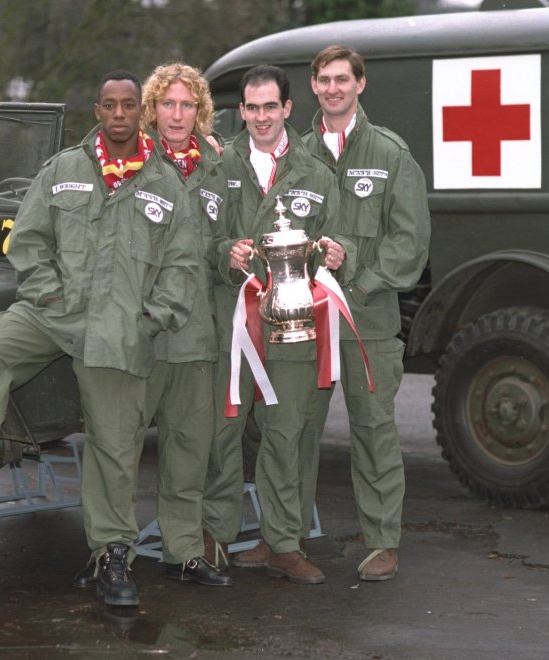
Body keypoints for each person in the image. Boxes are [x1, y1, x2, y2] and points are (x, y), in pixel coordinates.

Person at [0, 70, 198, 608]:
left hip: (119, 330)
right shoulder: (63, 170)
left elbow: (182, 267)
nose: (118, 114)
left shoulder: (167, 187)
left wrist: (149, 320)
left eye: (128, 105)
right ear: (97, 112)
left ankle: (112, 555)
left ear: (141, 112)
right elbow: (29, 239)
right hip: (54, 313)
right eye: (108, 104)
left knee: (114, 445)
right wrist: (48, 293)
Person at [71, 62, 233, 589]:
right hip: (136, 333)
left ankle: (182, 550)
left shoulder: (216, 168)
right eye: (168, 104)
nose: (178, 114)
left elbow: (219, 245)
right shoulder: (123, 160)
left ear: (200, 111)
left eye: (188, 105)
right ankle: (111, 552)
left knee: (189, 447)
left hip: (193, 334)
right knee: (117, 449)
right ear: (150, 110)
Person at [201, 64, 353, 585]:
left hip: (293, 326)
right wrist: (228, 252)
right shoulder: (219, 166)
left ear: (288, 109)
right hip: (233, 318)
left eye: (271, 106)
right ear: (240, 111)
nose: (261, 117)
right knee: (225, 430)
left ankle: (281, 543)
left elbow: (335, 238)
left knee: (286, 435)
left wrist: (337, 252)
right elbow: (203, 239)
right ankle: (214, 538)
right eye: (252, 107)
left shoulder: (315, 172)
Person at [302, 44, 430, 581]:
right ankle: (281, 537)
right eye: (323, 79)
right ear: (312, 86)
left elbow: (411, 240)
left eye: (342, 79)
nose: (333, 88)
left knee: (374, 429)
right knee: (292, 430)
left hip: (368, 319)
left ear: (360, 84)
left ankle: (382, 541)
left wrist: (358, 274)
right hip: (302, 318)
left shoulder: (391, 153)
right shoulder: (296, 154)